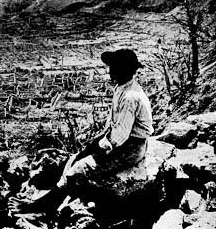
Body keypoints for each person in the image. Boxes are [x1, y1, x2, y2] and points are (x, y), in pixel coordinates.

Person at [9, 48, 154, 215]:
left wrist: (96, 148)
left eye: (114, 68)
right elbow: (112, 125)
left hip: (129, 148)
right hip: (123, 143)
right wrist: (92, 145)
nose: (110, 71)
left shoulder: (130, 97)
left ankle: (42, 207)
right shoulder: (122, 88)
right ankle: (47, 201)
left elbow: (118, 137)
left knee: (79, 170)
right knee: (73, 160)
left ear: (124, 70)